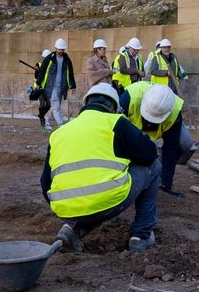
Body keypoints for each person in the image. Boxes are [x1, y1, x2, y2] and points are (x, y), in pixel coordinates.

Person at [42, 83, 161, 254]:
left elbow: (45, 183)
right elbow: (149, 153)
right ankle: (141, 235)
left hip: (64, 208)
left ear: (86, 104)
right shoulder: (116, 121)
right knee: (154, 165)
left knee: (89, 201)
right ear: (114, 108)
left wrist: (68, 205)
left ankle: (71, 229)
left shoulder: (59, 133)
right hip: (107, 201)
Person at [120, 81, 198, 197]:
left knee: (185, 144)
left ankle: (160, 171)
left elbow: (170, 149)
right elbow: (113, 129)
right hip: (132, 129)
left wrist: (166, 185)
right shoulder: (129, 97)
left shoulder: (174, 110)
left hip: (164, 130)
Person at [39, 38, 77, 128]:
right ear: (56, 48)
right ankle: (61, 125)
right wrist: (38, 83)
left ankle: (46, 121)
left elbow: (70, 73)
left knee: (55, 106)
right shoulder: (50, 58)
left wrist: (73, 86)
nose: (61, 51)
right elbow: (42, 71)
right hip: (51, 87)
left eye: (63, 49)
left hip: (62, 87)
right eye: (60, 49)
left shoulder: (67, 59)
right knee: (56, 107)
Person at [32, 49, 54, 129]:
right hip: (39, 88)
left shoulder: (51, 66)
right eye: (44, 58)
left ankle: (41, 115)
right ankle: (42, 120)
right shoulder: (39, 64)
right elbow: (36, 74)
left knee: (49, 104)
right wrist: (37, 69)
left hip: (46, 88)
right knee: (42, 103)